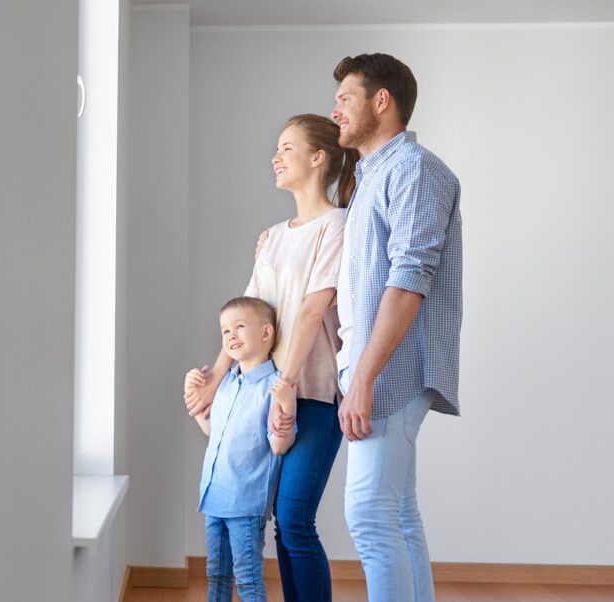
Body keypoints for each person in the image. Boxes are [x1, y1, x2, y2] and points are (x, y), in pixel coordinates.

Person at [185, 114, 356, 601]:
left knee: (295, 517)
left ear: (318, 158)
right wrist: (215, 378)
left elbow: (311, 310)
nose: (275, 157)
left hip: (312, 393)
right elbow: (245, 317)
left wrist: (287, 383)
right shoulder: (274, 235)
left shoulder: (337, 224)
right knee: (279, 520)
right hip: (264, 395)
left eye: (287, 147)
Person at [331, 53, 462, 602]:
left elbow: (409, 280)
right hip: (375, 368)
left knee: (369, 516)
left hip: (390, 373)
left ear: (380, 101)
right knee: (399, 515)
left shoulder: (414, 170)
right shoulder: (373, 176)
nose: (334, 110)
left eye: (345, 98)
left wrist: (363, 378)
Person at [188, 296, 296, 602]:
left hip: (245, 502)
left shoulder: (275, 386)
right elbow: (213, 431)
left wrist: (287, 405)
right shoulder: (224, 384)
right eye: (225, 331)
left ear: (265, 334)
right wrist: (196, 400)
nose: (230, 336)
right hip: (213, 496)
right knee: (216, 575)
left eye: (239, 327)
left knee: (248, 579)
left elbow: (279, 445)